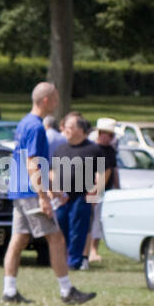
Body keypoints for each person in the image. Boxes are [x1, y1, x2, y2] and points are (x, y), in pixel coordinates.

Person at [0, 81, 96, 305]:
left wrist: (53, 189)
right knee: (56, 238)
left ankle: (9, 292)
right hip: (31, 192)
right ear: (46, 100)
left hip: (20, 190)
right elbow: (33, 163)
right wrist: (44, 197)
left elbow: (32, 164)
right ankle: (67, 291)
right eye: (55, 98)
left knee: (19, 239)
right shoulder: (35, 127)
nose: (58, 102)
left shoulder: (25, 123)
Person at [50, 112, 108, 272]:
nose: (65, 130)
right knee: (61, 228)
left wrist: (95, 192)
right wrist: (54, 190)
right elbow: (52, 171)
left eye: (69, 127)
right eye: (65, 127)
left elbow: (101, 174)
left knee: (78, 229)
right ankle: (64, 258)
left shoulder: (93, 149)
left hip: (82, 196)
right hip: (62, 198)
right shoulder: (60, 149)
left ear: (80, 130)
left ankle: (74, 262)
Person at [85, 117, 119, 264]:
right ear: (101, 133)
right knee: (90, 219)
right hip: (92, 190)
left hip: (107, 190)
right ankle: (87, 250)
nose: (111, 138)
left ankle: (94, 249)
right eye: (109, 135)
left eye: (112, 135)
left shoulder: (111, 150)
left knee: (99, 220)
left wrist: (118, 186)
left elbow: (113, 169)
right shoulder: (91, 149)